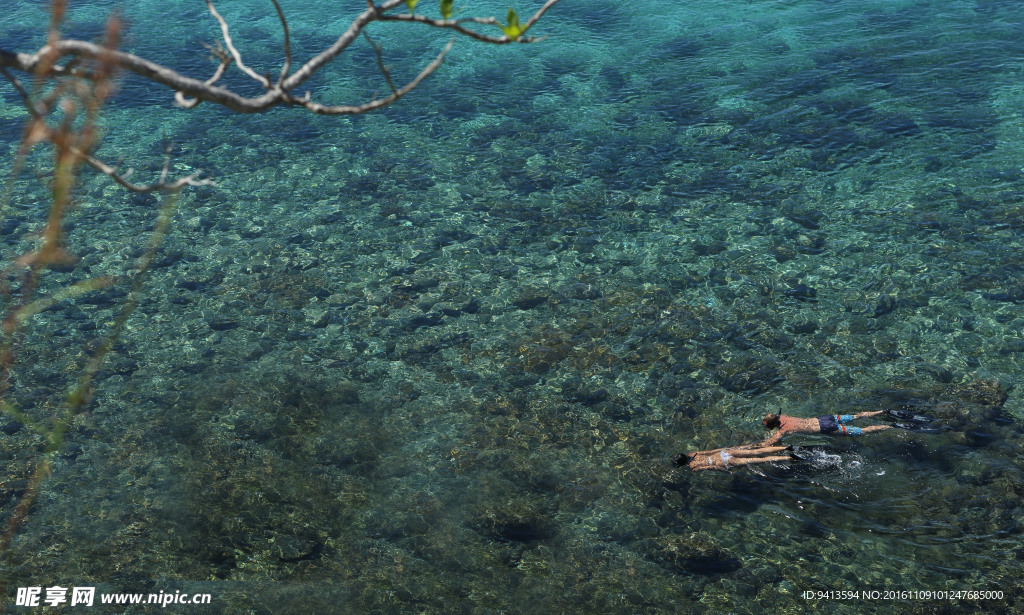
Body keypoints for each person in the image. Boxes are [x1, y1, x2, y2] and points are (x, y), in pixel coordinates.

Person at [760, 411, 892, 445]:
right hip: (824, 418)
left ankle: (889, 426)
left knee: (863, 431)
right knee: (856, 416)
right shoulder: (783, 416)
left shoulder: (783, 430)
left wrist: (754, 446)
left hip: (826, 427)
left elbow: (769, 442)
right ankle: (882, 412)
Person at [673, 443, 797, 472]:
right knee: (758, 451)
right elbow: (711, 451)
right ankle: (785, 448)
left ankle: (789, 458)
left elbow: (712, 467)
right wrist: (727, 449)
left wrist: (727, 472)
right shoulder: (693, 453)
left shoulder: (693, 467)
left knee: (760, 460)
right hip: (723, 453)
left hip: (726, 461)